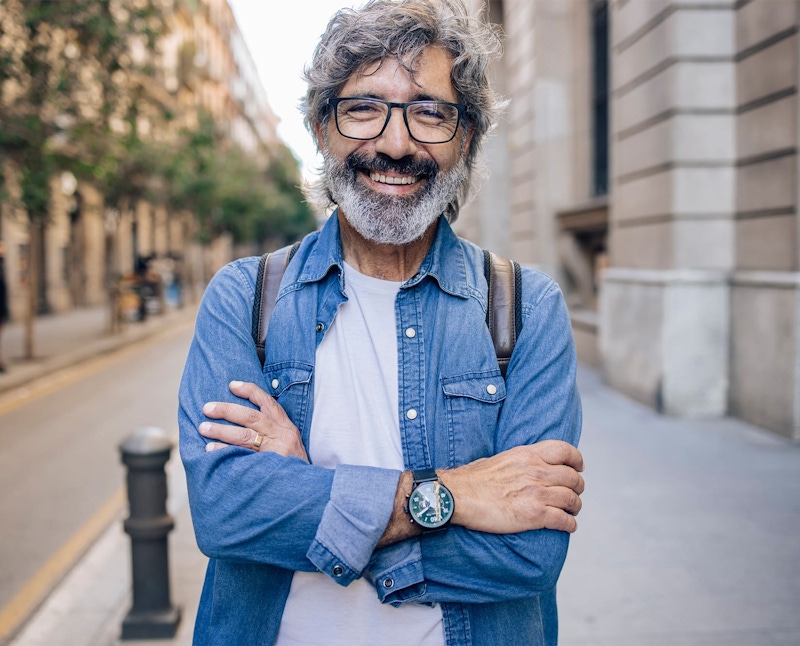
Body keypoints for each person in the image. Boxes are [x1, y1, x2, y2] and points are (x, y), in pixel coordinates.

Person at [178, 1, 584, 644]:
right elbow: (226, 514)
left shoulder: (526, 309)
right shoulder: (244, 298)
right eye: (363, 108)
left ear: (467, 139)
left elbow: (529, 554)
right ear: (320, 128)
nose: (396, 145)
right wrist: (450, 495)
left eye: (430, 112)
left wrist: (312, 495)